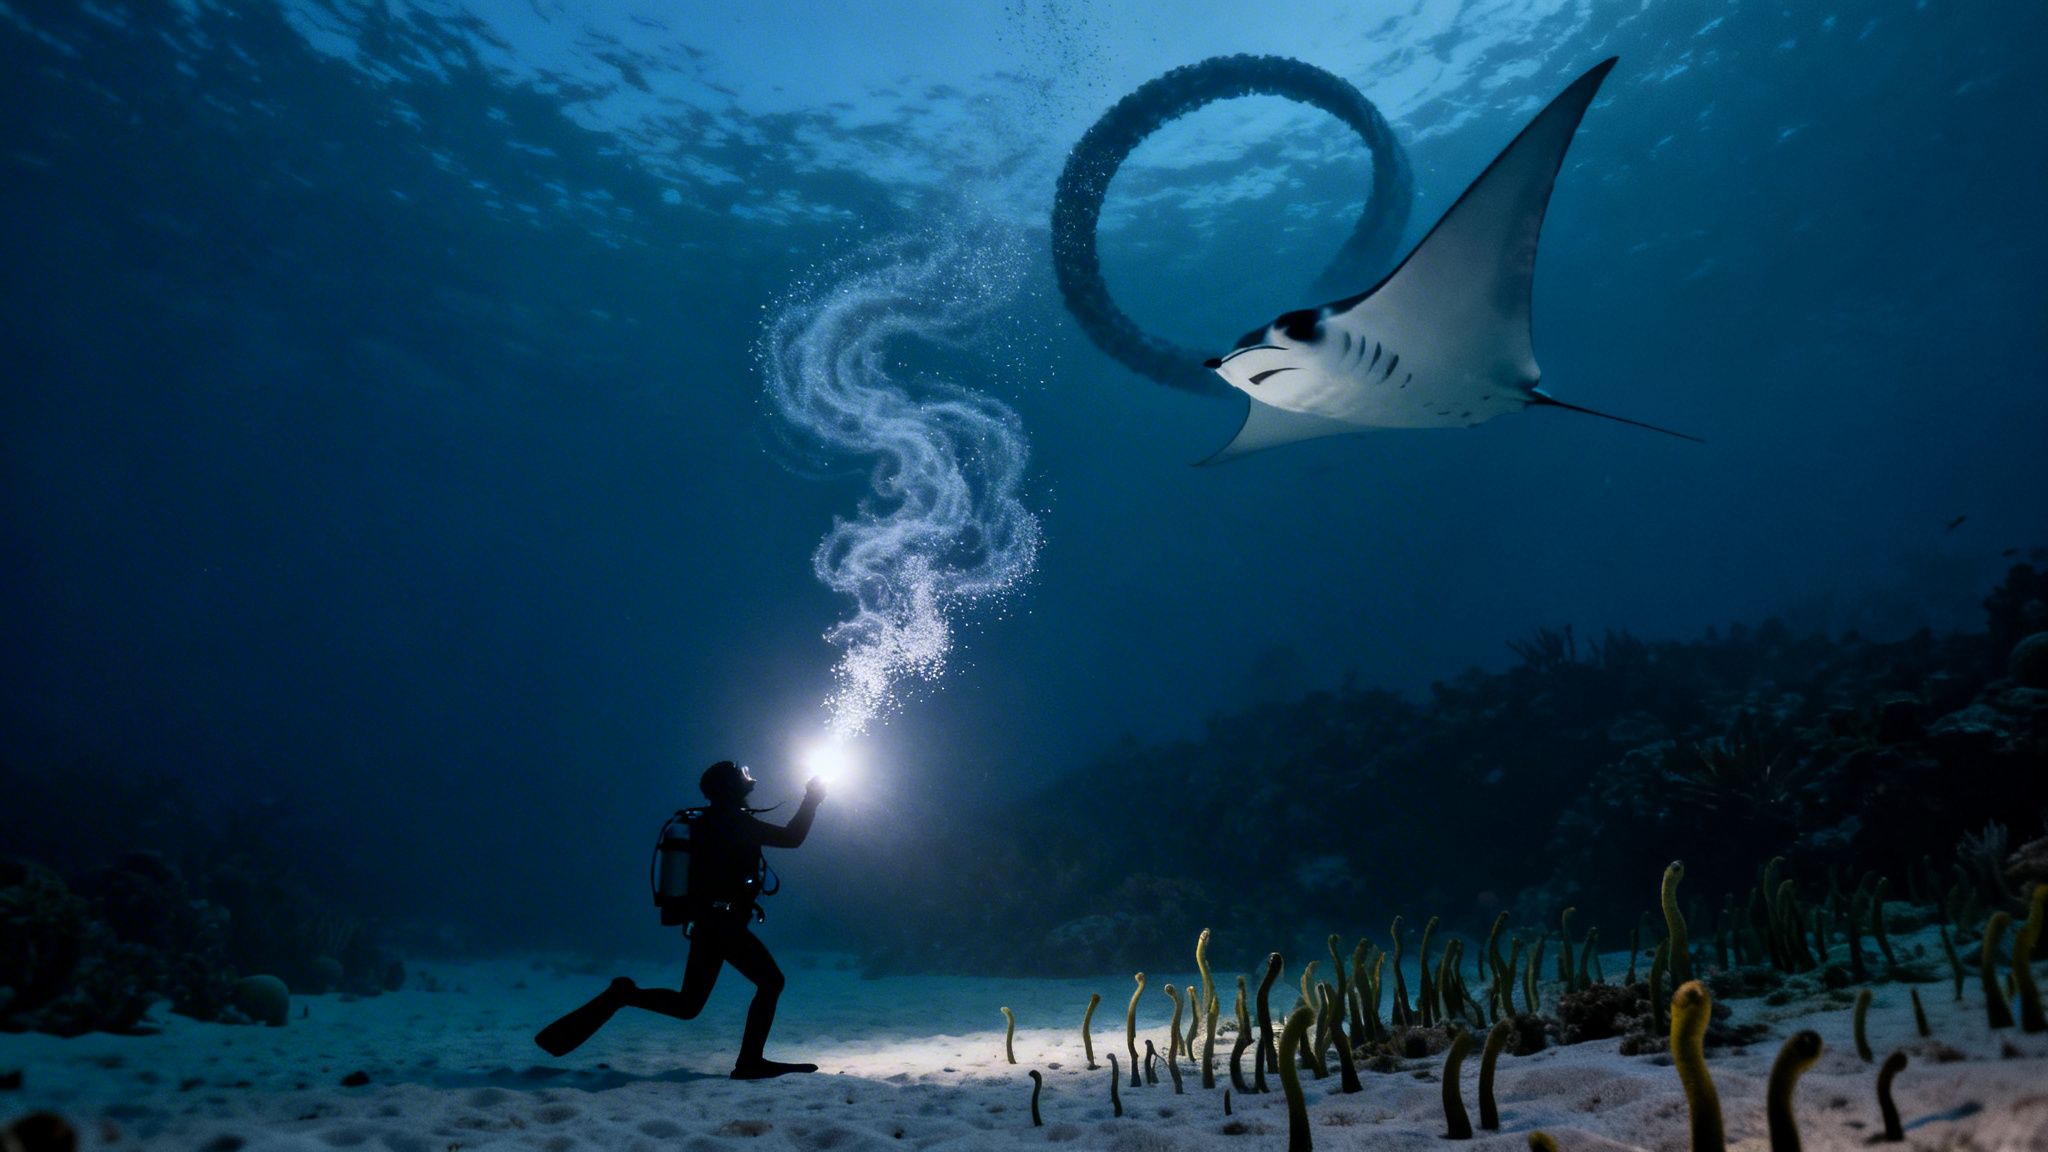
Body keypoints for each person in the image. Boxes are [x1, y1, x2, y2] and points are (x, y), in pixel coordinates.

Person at [535, 761, 827, 1080]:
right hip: (721, 924)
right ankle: (749, 1062)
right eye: (741, 775)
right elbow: (793, 838)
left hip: (708, 922)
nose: (748, 777)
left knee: (688, 1006)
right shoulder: (734, 822)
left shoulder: (708, 822)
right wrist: (811, 799)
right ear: (729, 788)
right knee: (771, 981)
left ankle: (624, 994)